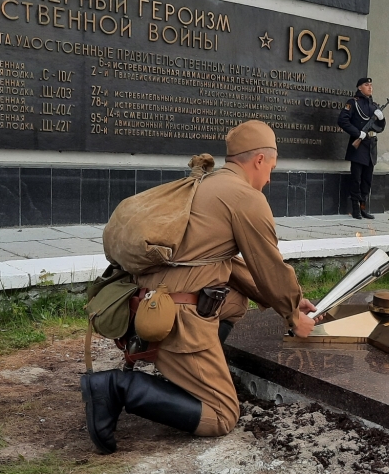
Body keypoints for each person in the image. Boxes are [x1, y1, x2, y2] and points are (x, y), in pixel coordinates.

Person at [81, 121, 316, 453]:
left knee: (234, 303)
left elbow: (223, 265)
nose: (269, 179)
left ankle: (185, 375)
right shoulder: (245, 198)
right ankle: (117, 388)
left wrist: (291, 303)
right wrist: (293, 314)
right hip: (173, 313)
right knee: (221, 416)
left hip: (145, 299)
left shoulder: (208, 183)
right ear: (260, 160)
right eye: (271, 169)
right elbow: (269, 266)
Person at [337, 76, 386, 220]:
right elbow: (342, 121)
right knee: (356, 180)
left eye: (371, 85)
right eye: (366, 85)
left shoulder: (374, 105)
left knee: (367, 181)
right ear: (359, 87)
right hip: (358, 148)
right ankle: (355, 209)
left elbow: (380, 128)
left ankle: (363, 208)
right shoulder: (353, 103)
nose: (370, 87)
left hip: (371, 146)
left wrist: (381, 118)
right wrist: (358, 133)